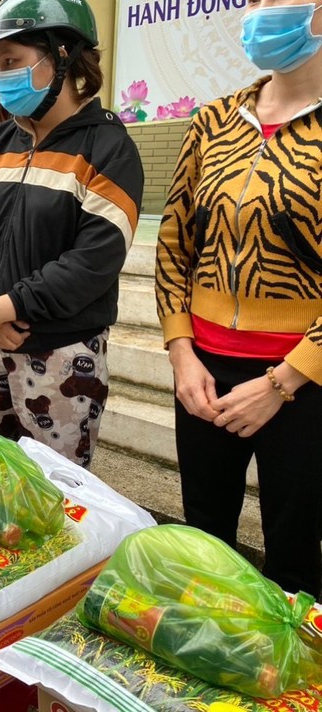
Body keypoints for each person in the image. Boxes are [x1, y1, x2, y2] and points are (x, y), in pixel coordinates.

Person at [155, 0, 322, 597]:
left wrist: (283, 383)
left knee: (296, 557)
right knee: (205, 543)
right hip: (204, 372)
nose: (258, 13)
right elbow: (174, 242)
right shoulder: (213, 121)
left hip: (305, 382)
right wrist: (181, 353)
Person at [0, 0, 144, 469]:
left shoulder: (108, 147)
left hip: (62, 357)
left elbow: (94, 259)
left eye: (13, 61)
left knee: (53, 489)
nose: (2, 77)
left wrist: (8, 307)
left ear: (63, 56)